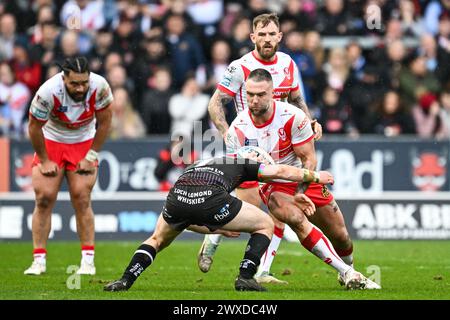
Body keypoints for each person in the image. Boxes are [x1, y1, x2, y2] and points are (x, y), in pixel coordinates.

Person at [223, 68, 380, 290]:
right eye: (249, 94)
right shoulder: (236, 130)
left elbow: (309, 160)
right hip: (271, 185)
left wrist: (300, 192)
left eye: (260, 94)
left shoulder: (293, 117)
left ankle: (348, 266)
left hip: (303, 177)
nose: (254, 100)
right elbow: (235, 172)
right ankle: (349, 273)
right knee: (295, 219)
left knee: (341, 236)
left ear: (273, 92)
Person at [199, 13, 323, 284]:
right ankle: (214, 237)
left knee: (278, 204)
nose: (267, 39)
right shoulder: (240, 66)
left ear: (280, 36)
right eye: (261, 34)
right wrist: (229, 135)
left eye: (271, 34)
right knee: (258, 205)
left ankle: (259, 268)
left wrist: (309, 121)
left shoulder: (288, 63)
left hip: (281, 144)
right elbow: (215, 104)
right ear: (252, 37)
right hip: (250, 146)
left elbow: (296, 98)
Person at [104, 155, 337, 292]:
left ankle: (125, 280)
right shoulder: (246, 163)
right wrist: (315, 176)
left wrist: (217, 227)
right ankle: (245, 277)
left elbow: (187, 219)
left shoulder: (201, 162)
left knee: (156, 240)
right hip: (211, 197)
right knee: (265, 224)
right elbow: (281, 170)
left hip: (178, 197)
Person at [24, 56, 113, 276]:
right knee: (44, 198)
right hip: (52, 140)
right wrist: (44, 159)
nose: (80, 88)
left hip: (83, 141)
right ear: (64, 78)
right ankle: (39, 261)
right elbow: (34, 128)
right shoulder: (47, 92)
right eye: (74, 83)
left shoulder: (100, 86)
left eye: (84, 82)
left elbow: (105, 122)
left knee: (82, 197)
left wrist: (91, 154)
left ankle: (87, 262)